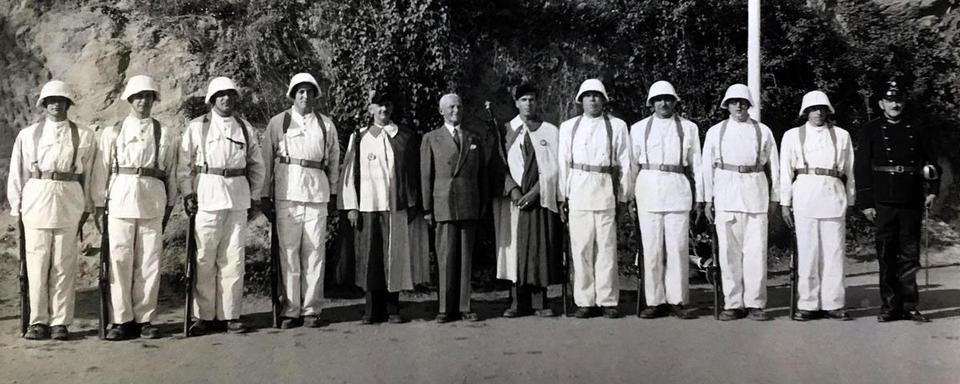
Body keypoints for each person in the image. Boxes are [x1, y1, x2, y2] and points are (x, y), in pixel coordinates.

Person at [89, 75, 178, 340]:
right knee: (119, 261)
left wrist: (170, 204)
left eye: (148, 96)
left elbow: (171, 172)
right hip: (120, 201)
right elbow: (101, 171)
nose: (143, 101)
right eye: (138, 96)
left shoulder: (165, 132)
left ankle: (145, 319)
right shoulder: (113, 131)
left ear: (154, 99)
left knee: (149, 261)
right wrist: (98, 204)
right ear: (129, 100)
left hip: (152, 200)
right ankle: (120, 319)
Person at [7, 80, 96, 340]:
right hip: (36, 199)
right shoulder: (28, 134)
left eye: (61, 100)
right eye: (51, 100)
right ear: (44, 104)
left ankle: (60, 322)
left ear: (69, 103)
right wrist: (18, 207)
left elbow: (89, 175)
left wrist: (87, 206)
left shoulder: (84, 135)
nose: (56, 104)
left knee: (64, 264)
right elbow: (17, 174)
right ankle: (38, 321)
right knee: (36, 263)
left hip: (69, 199)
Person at [178, 76, 265, 335]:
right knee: (204, 258)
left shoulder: (244, 127)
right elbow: (184, 167)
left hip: (237, 197)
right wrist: (188, 193)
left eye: (230, 94)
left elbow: (256, 165)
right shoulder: (197, 127)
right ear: (212, 99)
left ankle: (230, 315)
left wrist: (255, 197)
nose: (226, 99)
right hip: (206, 196)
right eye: (221, 95)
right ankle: (204, 316)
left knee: (234, 259)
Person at [855, 81, 939, 323]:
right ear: (881, 103)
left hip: (911, 199)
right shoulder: (870, 130)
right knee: (886, 254)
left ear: (904, 102)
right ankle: (890, 306)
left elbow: (932, 163)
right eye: (890, 100)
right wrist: (866, 202)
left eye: (899, 100)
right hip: (883, 201)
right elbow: (861, 168)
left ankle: (910, 305)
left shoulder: (917, 128)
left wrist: (933, 189)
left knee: (910, 255)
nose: (895, 104)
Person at [260, 73, 340, 328]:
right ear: (293, 95)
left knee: (315, 253)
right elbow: (265, 161)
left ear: (315, 95)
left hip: (317, 195)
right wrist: (264, 195)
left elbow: (334, 162)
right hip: (287, 195)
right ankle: (291, 309)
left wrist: (334, 194)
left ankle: (312, 310)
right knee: (289, 254)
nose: (305, 96)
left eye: (309, 92)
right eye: (300, 92)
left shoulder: (326, 125)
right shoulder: (278, 123)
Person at [702, 84, 780, 321]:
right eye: (734, 102)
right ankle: (733, 303)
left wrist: (775, 198)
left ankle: (755, 303)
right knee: (728, 254)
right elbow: (707, 168)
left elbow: (774, 167)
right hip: (726, 196)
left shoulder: (763, 131)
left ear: (749, 105)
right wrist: (707, 199)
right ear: (727, 105)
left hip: (755, 196)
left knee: (755, 252)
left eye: (743, 102)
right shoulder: (716, 132)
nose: (739, 106)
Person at [339, 91, 418, 324]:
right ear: (371, 108)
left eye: (388, 104)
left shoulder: (404, 136)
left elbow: (411, 173)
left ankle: (393, 309)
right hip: (369, 205)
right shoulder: (360, 136)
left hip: (395, 206)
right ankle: (372, 310)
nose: (383, 109)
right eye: (379, 105)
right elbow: (349, 173)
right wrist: (351, 206)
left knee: (394, 257)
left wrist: (412, 203)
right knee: (371, 258)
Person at [557, 79, 633, 319]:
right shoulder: (569, 127)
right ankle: (585, 300)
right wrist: (562, 197)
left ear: (604, 100)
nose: (592, 100)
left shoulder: (617, 126)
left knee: (607, 249)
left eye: (597, 96)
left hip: (605, 192)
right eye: (588, 96)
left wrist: (623, 197)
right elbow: (563, 164)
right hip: (578, 191)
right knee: (581, 249)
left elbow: (626, 164)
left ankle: (608, 300)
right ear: (581, 100)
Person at [779, 90, 855, 321]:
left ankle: (834, 303)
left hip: (833, 196)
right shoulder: (792, 136)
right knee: (808, 253)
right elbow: (785, 172)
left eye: (822, 108)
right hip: (805, 197)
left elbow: (850, 172)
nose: (818, 113)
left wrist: (851, 200)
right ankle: (808, 304)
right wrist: (785, 203)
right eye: (813, 109)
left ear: (828, 111)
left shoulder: (842, 135)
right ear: (805, 112)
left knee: (834, 253)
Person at [630, 80, 702, 320]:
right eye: (658, 99)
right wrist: (628, 195)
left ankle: (677, 299)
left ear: (675, 102)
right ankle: (654, 300)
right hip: (648, 189)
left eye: (668, 99)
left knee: (678, 248)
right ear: (651, 103)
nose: (663, 103)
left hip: (677, 189)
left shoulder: (689, 128)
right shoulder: (639, 128)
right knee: (651, 249)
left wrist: (700, 197)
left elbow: (697, 165)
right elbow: (631, 165)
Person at [420, 93, 487, 323]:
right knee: (445, 257)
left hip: (469, 203)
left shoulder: (472, 137)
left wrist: (481, 203)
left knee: (466, 257)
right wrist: (427, 208)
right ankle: (445, 308)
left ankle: (465, 306)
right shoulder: (431, 138)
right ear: (442, 111)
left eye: (459, 106)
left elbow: (481, 175)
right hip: (443, 204)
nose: (455, 111)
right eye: (450, 107)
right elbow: (426, 175)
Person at [498, 84, 562, 318]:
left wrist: (536, 191)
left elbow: (554, 167)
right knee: (514, 248)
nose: (528, 104)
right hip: (514, 200)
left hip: (539, 198)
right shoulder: (506, 130)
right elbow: (499, 164)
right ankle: (517, 302)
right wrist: (513, 189)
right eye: (523, 99)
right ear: (516, 103)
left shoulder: (549, 131)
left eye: (532, 99)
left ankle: (539, 302)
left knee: (538, 247)